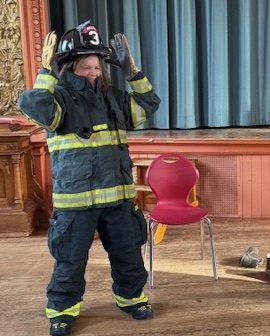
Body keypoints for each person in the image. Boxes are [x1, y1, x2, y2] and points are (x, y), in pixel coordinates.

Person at [19, 21, 160, 336]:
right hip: (76, 203)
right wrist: (45, 71)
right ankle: (62, 310)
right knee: (70, 261)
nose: (94, 72)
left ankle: (131, 298)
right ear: (69, 68)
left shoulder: (114, 99)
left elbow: (147, 106)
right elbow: (37, 107)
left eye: (97, 66)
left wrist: (133, 71)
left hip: (118, 201)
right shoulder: (58, 99)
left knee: (128, 254)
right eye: (86, 67)